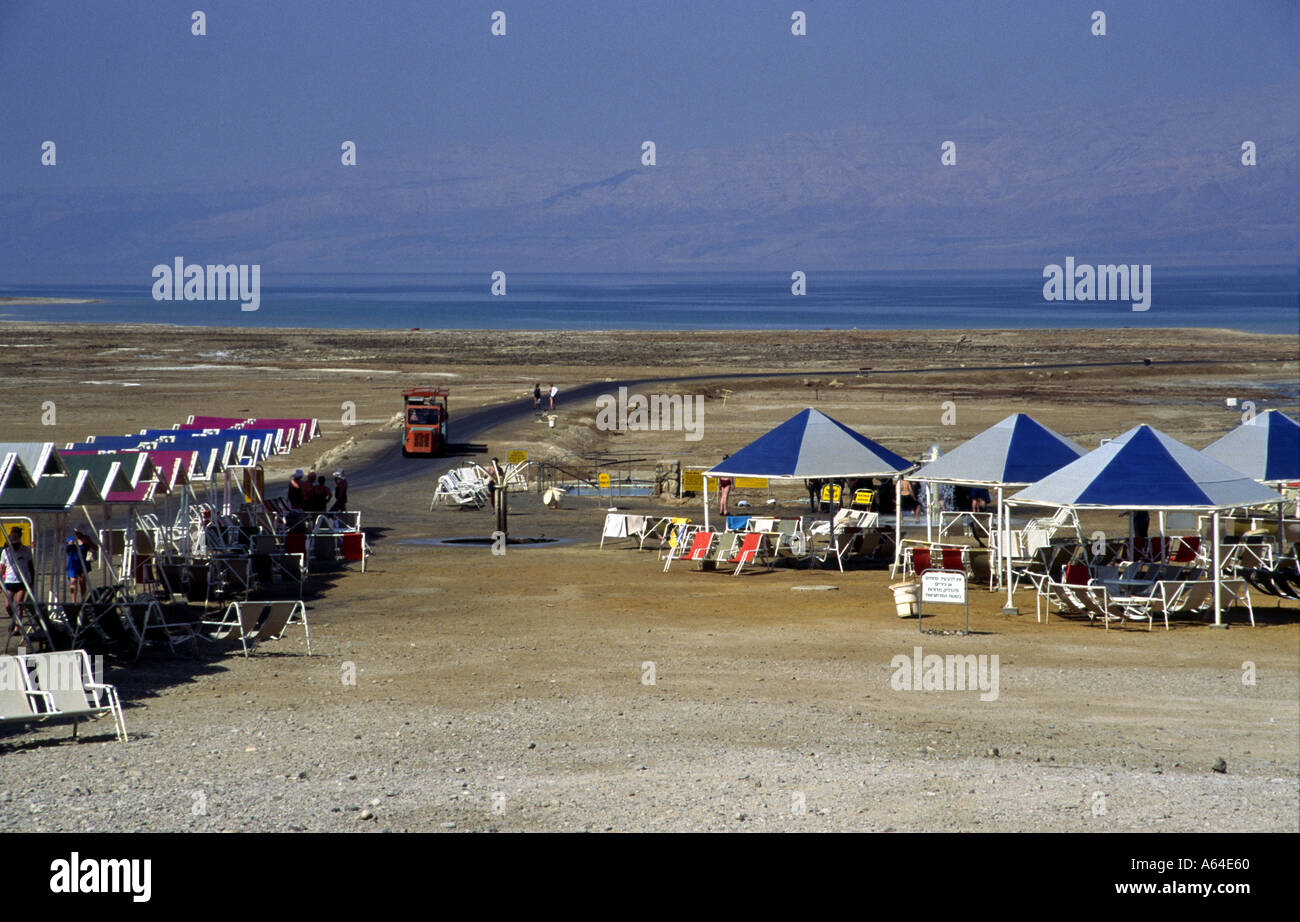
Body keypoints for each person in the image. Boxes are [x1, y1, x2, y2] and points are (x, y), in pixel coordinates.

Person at [1, 527, 35, 616]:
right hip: (9, 580)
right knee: (8, 605)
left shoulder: (26, 550)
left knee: (19, 604)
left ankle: (17, 627)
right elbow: (1, 567)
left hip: (22, 581)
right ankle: (14, 619)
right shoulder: (6, 552)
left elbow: (31, 566)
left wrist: (32, 581)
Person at [64, 529, 98, 602]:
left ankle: (83, 600)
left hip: (83, 563)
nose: (77, 534)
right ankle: (74, 601)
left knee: (82, 582)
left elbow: (96, 548)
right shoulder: (71, 539)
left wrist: (88, 543)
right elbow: (66, 550)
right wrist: (69, 545)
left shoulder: (86, 538)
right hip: (72, 563)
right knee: (73, 582)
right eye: (76, 532)